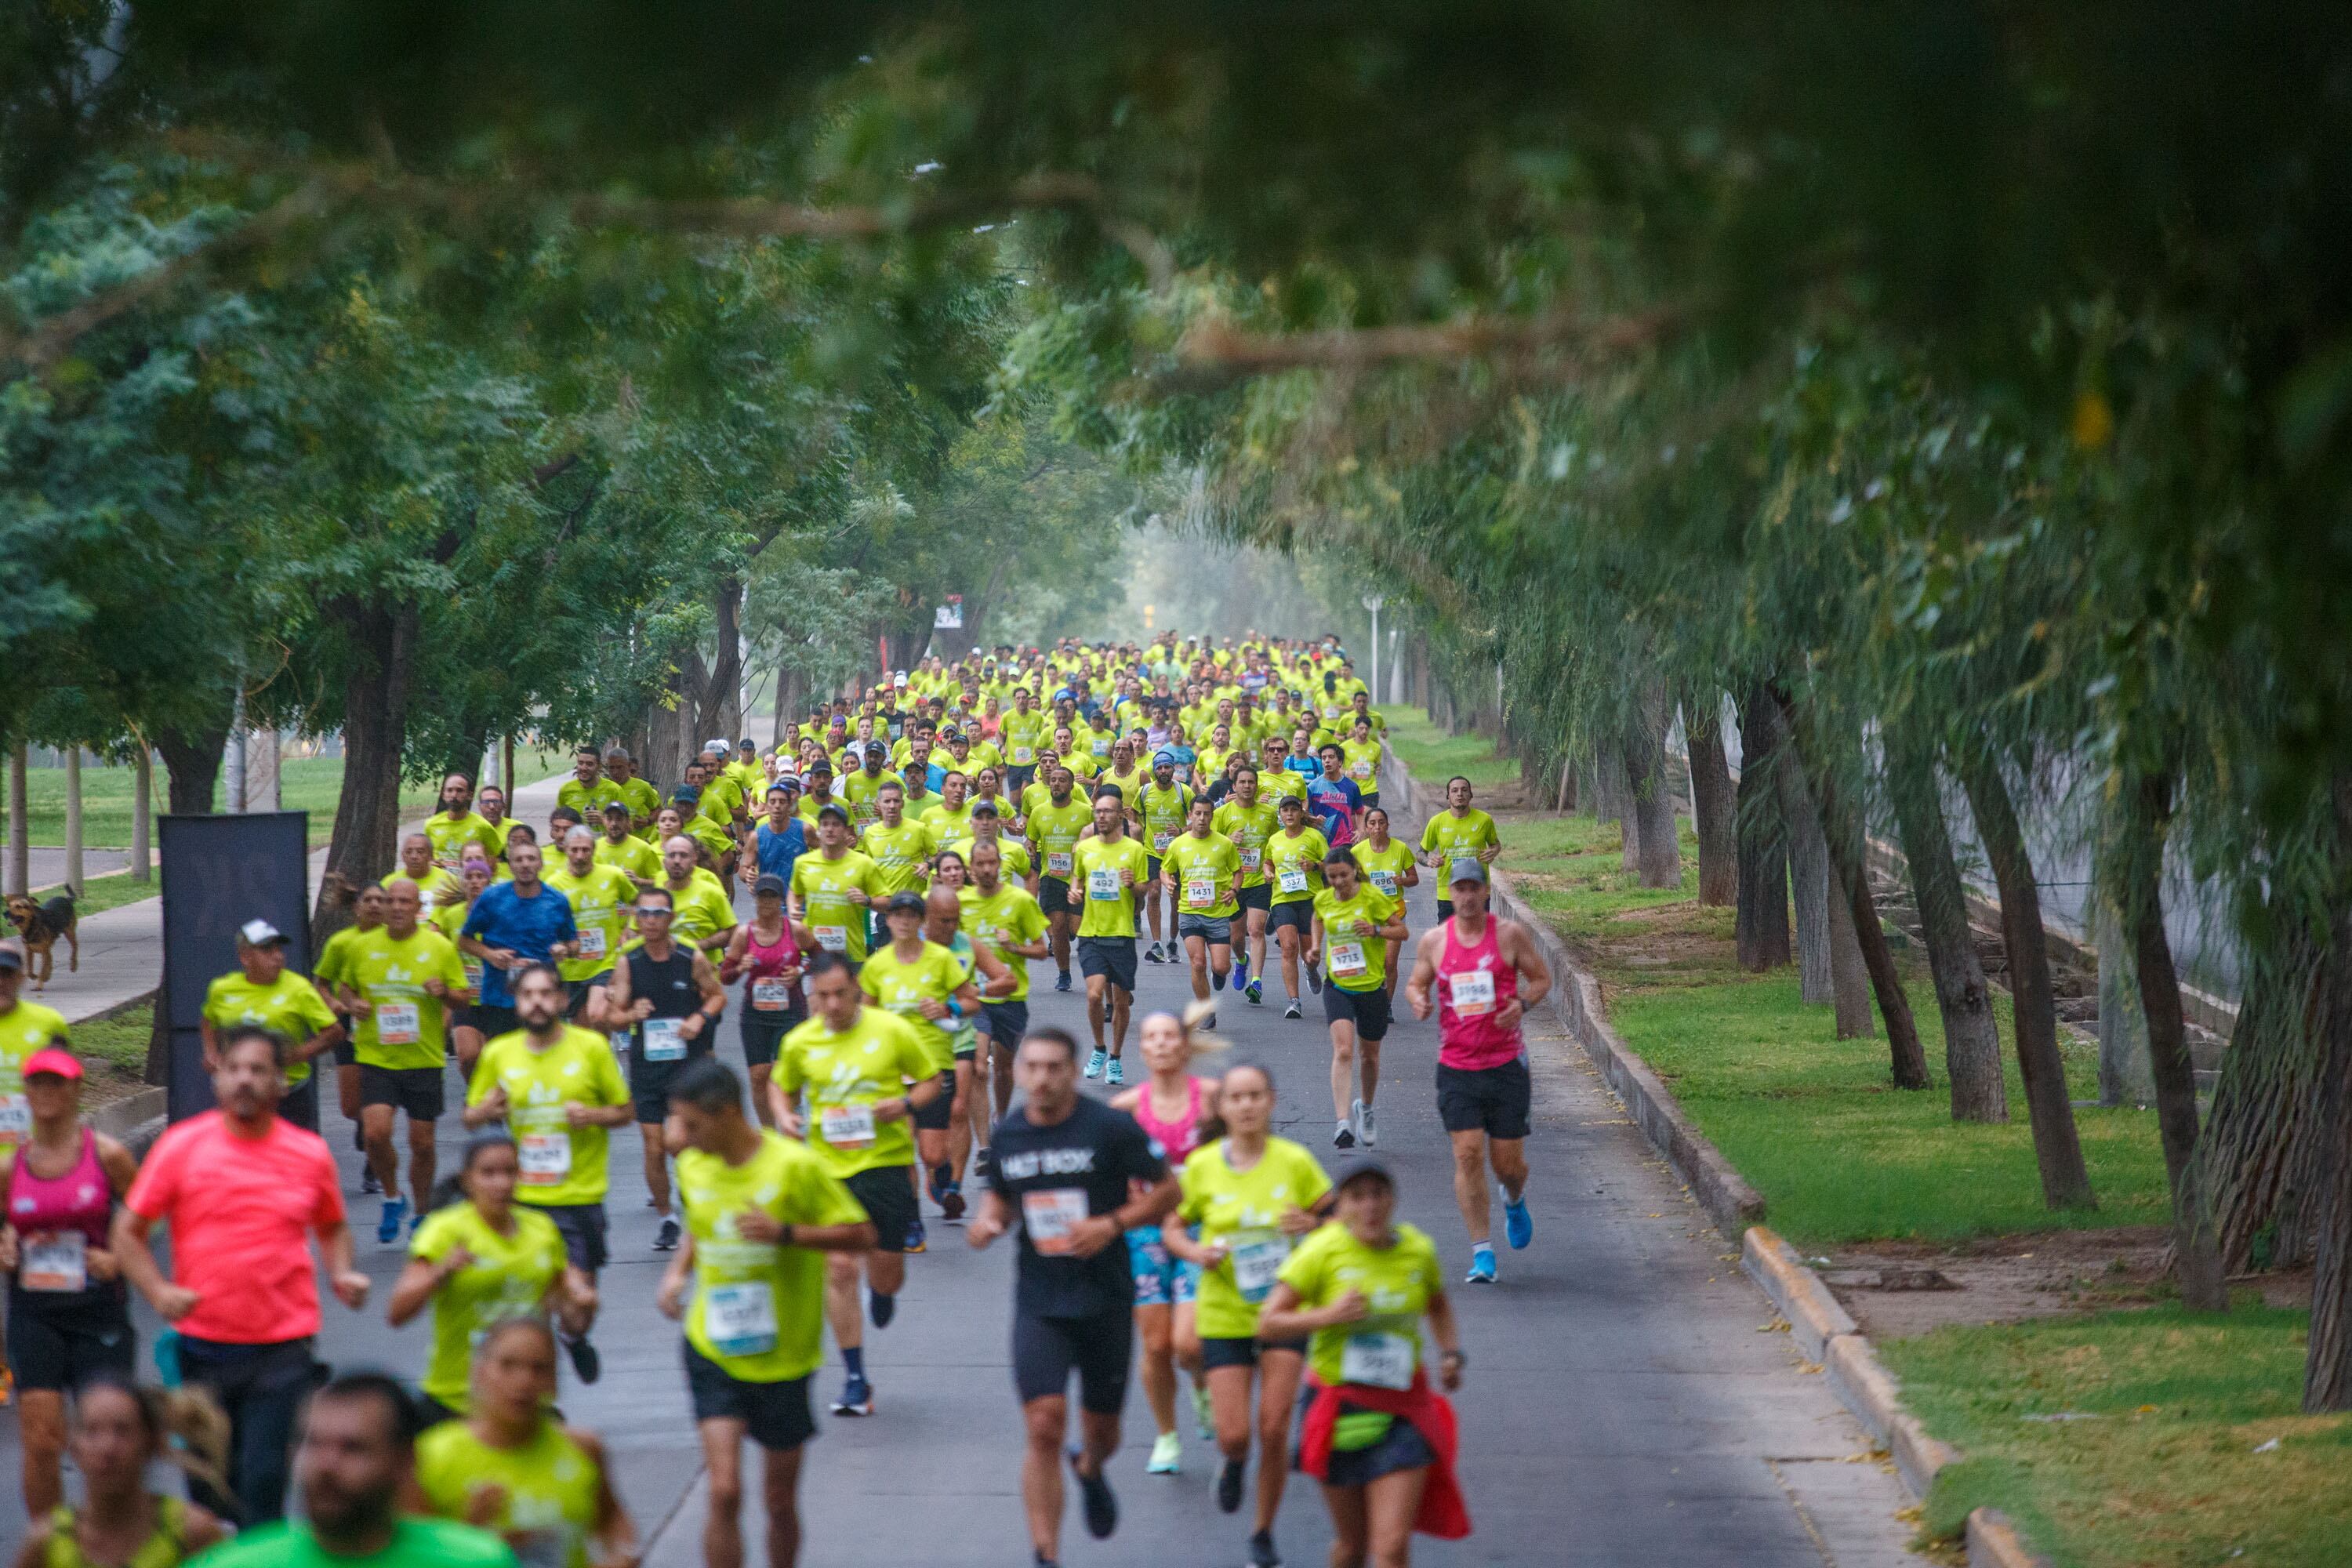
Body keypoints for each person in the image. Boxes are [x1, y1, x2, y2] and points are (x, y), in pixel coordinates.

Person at [113, 1027, 370, 1526]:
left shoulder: (308, 1153)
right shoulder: (181, 1146)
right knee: (208, 1491)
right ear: (218, 1078)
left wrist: (342, 1272)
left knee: (262, 1482)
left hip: (283, 1346)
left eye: (258, 1070)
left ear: (281, 1082)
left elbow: (333, 1226)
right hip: (203, 1348)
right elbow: (128, 1231)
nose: (245, 1080)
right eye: (235, 1069)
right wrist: (158, 1291)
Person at [968, 1029, 1180, 1567]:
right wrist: (990, 1219)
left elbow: (1169, 1190)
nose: (1042, 1078)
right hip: (1041, 1300)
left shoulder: (1108, 1127)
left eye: (1054, 1068)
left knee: (1104, 1433)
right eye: (1032, 1067)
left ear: (1071, 1070)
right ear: (1018, 1073)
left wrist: (1112, 1224)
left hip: (1106, 1297)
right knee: (1042, 1424)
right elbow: (1002, 1196)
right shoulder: (1010, 1134)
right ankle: (1046, 1553)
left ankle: (1089, 1468)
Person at [659, 1058, 873, 1568]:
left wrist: (788, 1234)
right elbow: (700, 1223)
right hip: (712, 1345)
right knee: (725, 1491)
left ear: (728, 1113)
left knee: (778, 1502)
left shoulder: (793, 1167)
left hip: (784, 1356)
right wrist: (677, 1273)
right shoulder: (693, 1165)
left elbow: (861, 1233)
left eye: (690, 1124)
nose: (679, 1137)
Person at [1260, 1160, 1470, 1568]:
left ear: (1392, 1200)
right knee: (1352, 1547)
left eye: (1378, 1195)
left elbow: (1438, 1306)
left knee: (1390, 1545)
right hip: (1339, 1409)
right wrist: (1328, 1316)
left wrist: (1450, 1353)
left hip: (1403, 1409)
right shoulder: (1322, 1252)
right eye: (1358, 1197)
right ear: (1342, 1207)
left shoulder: (1417, 1250)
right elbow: (1269, 1323)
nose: (1370, 1207)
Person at [1165, 1061, 1334, 1568]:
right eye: (1236, 1097)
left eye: (1255, 1095)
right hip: (1223, 1312)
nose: (1246, 1105)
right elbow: (1174, 1227)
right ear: (1223, 1107)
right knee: (1236, 1433)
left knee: (1275, 1426)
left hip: (1282, 1312)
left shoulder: (1295, 1161)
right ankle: (1234, 1462)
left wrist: (1310, 1222)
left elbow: (1335, 1219)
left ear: (1271, 1102)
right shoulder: (1202, 1166)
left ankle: (1262, 1531)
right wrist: (1195, 1255)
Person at [767, 953, 938, 1417]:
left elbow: (931, 1081)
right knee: (840, 1268)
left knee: (886, 1271)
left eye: (840, 993)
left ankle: (882, 1293)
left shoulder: (890, 1031)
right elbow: (780, 1086)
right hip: (827, 1170)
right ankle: (856, 1378)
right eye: (822, 996)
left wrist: (903, 1104)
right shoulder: (801, 1041)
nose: (832, 1004)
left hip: (884, 1164)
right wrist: (784, 1115)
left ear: (857, 990)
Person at [466, 964, 632, 1380]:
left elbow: (626, 1111)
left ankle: (574, 1339)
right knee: (529, 1310)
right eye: (527, 994)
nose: (537, 1002)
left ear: (560, 1000)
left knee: (578, 1309)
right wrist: (485, 1111)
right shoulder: (499, 1054)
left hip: (579, 1197)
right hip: (522, 1202)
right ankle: (540, 1401)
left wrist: (592, 1114)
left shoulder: (591, 1049)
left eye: (545, 994)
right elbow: (470, 1115)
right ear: (517, 1002)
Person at [0, 1048, 139, 1515]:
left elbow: (147, 1216)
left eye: (57, 1083)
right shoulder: (10, 1168)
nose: (46, 1092)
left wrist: (116, 1255)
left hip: (98, 1310)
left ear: (77, 1089)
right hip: (34, 1311)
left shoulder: (108, 1155)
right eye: (37, 1083)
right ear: (26, 1090)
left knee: (109, 1441)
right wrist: (5, 1245)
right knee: (41, 1439)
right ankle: (51, 1549)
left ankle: (115, 1543)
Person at [189, 1373, 514, 1568]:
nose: (327, 1465)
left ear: (406, 1462)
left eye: (353, 1448)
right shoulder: (232, 1564)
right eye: (312, 1444)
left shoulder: (476, 1562)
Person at [1404, 858, 1552, 1285]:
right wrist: (1418, 999)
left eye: (1474, 888)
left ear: (1485, 891)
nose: (1467, 897)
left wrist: (1521, 1004)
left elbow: (1541, 979)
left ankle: (1514, 1197)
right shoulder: (1435, 940)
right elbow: (1416, 982)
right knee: (1467, 1154)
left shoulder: (1508, 935)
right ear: (1450, 893)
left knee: (1508, 1164)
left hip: (1506, 1065)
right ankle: (1482, 1252)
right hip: (1457, 1066)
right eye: (1460, 889)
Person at [387, 1128, 592, 1423]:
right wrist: (441, 1271)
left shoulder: (542, 1230)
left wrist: (584, 1305)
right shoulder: (445, 1230)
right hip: (458, 1400)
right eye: (489, 1173)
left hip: (527, 1401)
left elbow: (566, 1313)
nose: (501, 1183)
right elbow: (397, 1312)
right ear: (468, 1179)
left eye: (510, 1172)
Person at [409, 1319, 637, 1568]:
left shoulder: (583, 1449)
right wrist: (468, 1535)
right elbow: (406, 1554)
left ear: (554, 1382)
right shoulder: (431, 1457)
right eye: (507, 1365)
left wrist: (623, 1555)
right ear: (480, 1372)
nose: (524, 1381)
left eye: (539, 1369)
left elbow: (612, 1517)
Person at [1107, 1012, 1223, 1481]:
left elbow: (1246, 1153)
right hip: (1146, 1235)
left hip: (1201, 1229)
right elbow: (1102, 1170)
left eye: (1168, 1036)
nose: (1159, 1045)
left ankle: (1199, 1382)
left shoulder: (1212, 1099)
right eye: (1150, 1037)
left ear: (1184, 1046)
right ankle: (1167, 1434)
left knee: (1189, 1344)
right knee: (1155, 1345)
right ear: (1141, 1049)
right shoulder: (1126, 1109)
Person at [336, 878, 472, 1241]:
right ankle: (394, 1198)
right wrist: (352, 1004)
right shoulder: (362, 947)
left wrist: (445, 993)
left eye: (404, 902)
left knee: (422, 1143)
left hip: (423, 1058)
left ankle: (424, 1210)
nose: (396, 908)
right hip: (376, 1056)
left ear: (417, 908)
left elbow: (463, 996)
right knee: (377, 1135)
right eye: (390, 901)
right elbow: (344, 986)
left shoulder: (439, 948)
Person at [597, 886, 727, 1252]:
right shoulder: (629, 961)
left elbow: (717, 996)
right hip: (649, 1065)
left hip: (688, 1064)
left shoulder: (691, 957)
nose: (651, 920)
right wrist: (630, 1015)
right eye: (645, 914)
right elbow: (613, 1017)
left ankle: (697, 1206)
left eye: (658, 914)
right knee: (654, 1146)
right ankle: (668, 1218)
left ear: (670, 919)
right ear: (636, 918)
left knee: (685, 1144)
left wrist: (700, 1019)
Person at [6, 1374, 230, 1568]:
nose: (107, 1448)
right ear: (74, 1447)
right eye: (92, 1432)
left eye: (123, 1431)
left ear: (152, 1444)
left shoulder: (192, 1533)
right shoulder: (46, 1543)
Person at [955, 839, 1048, 1165]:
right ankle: (985, 1147)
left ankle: (1001, 1119)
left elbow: (1042, 949)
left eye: (991, 863)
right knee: (980, 1069)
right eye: (979, 864)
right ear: (970, 869)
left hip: (1011, 996)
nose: (986, 869)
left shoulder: (1020, 900)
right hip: (975, 998)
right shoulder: (960, 902)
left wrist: (1015, 949)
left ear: (1000, 864)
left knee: (1004, 1070)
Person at [201, 920, 343, 1132]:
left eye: (279, 949)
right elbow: (208, 1021)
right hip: (240, 1094)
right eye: (267, 950)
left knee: (292, 1160)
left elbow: (334, 1032)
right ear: (245, 957)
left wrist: (298, 1054)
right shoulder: (222, 989)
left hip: (289, 1094)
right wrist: (211, 1052)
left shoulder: (298, 988)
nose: (277, 956)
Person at [1310, 850, 1410, 1152]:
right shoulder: (1323, 899)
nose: (1338, 881)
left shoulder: (1372, 897)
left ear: (1354, 871)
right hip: (1338, 985)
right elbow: (1317, 918)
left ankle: (1364, 1107)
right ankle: (1342, 1123)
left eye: (1343, 875)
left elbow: (1402, 931)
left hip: (1371, 987)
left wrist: (1376, 930)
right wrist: (1315, 947)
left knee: (1369, 1057)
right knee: (1343, 1050)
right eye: (1332, 876)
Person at [459, 837, 582, 1041]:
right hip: (500, 995)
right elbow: (464, 940)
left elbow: (574, 943)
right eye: (519, 860)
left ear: (540, 864)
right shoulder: (492, 898)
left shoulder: (557, 901)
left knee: (544, 1058)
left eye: (531, 859)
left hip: (543, 996)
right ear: (511, 865)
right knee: (503, 1061)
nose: (525, 864)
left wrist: (565, 950)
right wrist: (489, 954)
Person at [1072, 786, 1152, 1084]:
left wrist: (1133, 886)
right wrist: (1074, 891)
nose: (1101, 816)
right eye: (1097, 811)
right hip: (1091, 932)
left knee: (1120, 1003)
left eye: (1107, 811)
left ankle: (1116, 1058)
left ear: (1120, 815)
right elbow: (1077, 879)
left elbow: (1143, 894)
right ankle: (1099, 1048)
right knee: (1094, 996)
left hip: (1121, 933)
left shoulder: (1135, 850)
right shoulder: (1085, 848)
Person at [720, 874, 808, 1131]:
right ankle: (769, 1132)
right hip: (755, 1014)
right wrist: (740, 967)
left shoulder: (795, 930)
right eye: (762, 897)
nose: (766, 903)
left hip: (790, 1010)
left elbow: (818, 958)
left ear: (780, 900)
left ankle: (793, 1120)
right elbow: (725, 976)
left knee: (784, 1074)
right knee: (759, 1076)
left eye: (772, 898)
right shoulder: (744, 933)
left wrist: (800, 971)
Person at [313, 881, 384, 1190]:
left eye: (380, 900)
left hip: (384, 1024)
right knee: (351, 1106)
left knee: (381, 1098)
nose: (374, 906)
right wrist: (335, 1005)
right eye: (368, 900)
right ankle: (362, 1123)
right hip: (349, 1022)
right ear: (356, 907)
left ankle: (373, 1164)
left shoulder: (393, 941)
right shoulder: (341, 943)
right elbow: (321, 984)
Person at [1163, 797, 1243, 1028]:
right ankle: (1206, 1011)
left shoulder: (1224, 844)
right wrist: (1168, 882)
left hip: (1217, 912)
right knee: (1198, 963)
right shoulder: (1178, 844)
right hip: (1189, 912)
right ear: (1190, 815)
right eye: (1197, 813)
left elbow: (1238, 871)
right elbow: (1165, 869)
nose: (1201, 818)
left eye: (1206, 814)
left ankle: (1219, 974)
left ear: (1211, 816)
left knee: (1221, 967)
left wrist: (1234, 890)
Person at [545, 827, 636, 1023]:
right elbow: (545, 924)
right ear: (566, 849)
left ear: (594, 850)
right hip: (571, 968)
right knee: (583, 1028)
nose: (580, 856)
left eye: (585, 850)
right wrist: (556, 945)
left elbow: (637, 902)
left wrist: (629, 930)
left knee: (597, 1014)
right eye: (575, 850)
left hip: (606, 962)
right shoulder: (554, 884)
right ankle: (603, 1051)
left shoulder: (613, 876)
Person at [1022, 764, 1093, 993]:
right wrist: (1030, 848)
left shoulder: (1084, 811)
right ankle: (1064, 974)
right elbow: (1031, 840)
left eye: (1062, 780)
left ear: (1071, 786)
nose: (1056, 784)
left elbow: (1098, 838)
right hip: (1050, 876)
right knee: (1059, 928)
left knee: (1076, 928)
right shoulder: (1039, 812)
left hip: (1079, 878)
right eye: (1053, 780)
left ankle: (1074, 937)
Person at [1211, 767, 1278, 1006]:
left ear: (1257, 785)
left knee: (1256, 930)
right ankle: (1241, 960)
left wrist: (1272, 868)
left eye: (1251, 782)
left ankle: (1257, 981)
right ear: (1235, 786)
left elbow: (1275, 844)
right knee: (1235, 938)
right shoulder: (1222, 813)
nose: (1247, 786)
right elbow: (1209, 846)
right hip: (1233, 883)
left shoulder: (1269, 814)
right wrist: (1228, 841)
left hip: (1260, 880)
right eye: (1243, 782)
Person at [1265, 793, 1332, 1022]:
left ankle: (1311, 969)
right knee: (1288, 948)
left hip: (1310, 899)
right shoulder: (1274, 839)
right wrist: (1267, 871)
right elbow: (1268, 861)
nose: (1290, 814)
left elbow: (1332, 864)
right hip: (1282, 899)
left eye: (1294, 810)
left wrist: (1314, 865)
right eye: (1286, 811)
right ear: (1280, 815)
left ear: (1302, 813)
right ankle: (1294, 1001)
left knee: (1310, 954)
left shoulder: (1314, 837)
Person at [787, 804, 880, 967]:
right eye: (825, 824)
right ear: (818, 830)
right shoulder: (803, 863)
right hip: (812, 951)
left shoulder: (864, 863)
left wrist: (867, 900)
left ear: (845, 831)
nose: (830, 830)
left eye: (836, 825)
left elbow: (887, 901)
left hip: (852, 952)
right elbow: (795, 891)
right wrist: (793, 908)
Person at [1349, 808, 1418, 997]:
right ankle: (1370, 997)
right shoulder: (1357, 852)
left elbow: (1414, 878)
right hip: (1367, 913)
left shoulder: (1400, 848)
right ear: (1366, 826)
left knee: (1389, 962)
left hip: (1395, 912)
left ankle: (1386, 1005)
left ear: (1388, 825)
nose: (1377, 827)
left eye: (1381, 823)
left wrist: (1402, 880)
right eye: (1372, 823)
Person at [1417, 778, 1501, 922]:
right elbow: (1420, 854)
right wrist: (1429, 860)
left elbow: (1496, 845)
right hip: (1448, 892)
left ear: (1471, 795)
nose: (1460, 794)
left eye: (1464, 790)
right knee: (1448, 941)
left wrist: (1494, 851)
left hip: (1478, 891)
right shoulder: (1437, 822)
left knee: (1478, 938)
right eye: (1454, 791)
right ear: (1448, 796)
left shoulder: (1484, 820)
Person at [1136, 750, 1192, 965]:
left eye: (1167, 767)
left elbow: (1198, 819)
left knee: (1176, 900)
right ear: (1154, 770)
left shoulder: (1183, 791)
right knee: (1153, 893)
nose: (1163, 771)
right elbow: (1136, 815)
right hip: (1152, 852)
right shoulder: (1145, 792)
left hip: (1178, 853)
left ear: (1173, 769)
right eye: (1159, 768)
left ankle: (1171, 941)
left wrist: (1181, 830)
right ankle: (1157, 943)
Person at [424, 774, 503, 871]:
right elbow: (426, 857)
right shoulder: (431, 824)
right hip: (439, 884)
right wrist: (428, 864)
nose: (454, 795)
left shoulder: (483, 826)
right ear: (443, 795)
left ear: (470, 795)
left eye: (459, 790)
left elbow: (494, 861)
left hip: (470, 883)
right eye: (449, 790)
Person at [594, 799, 662, 886]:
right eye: (609, 819)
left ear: (628, 821)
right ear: (603, 821)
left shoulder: (643, 848)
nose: (614, 823)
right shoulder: (594, 847)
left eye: (619, 819)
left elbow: (661, 882)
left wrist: (639, 881)